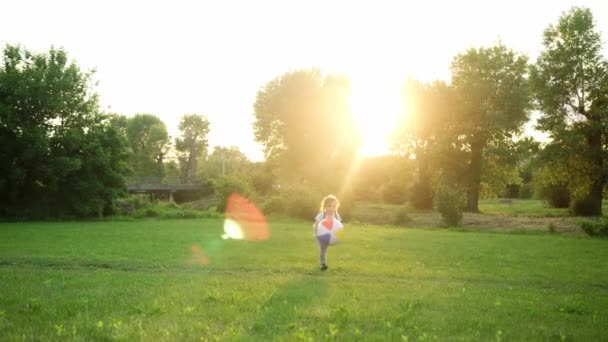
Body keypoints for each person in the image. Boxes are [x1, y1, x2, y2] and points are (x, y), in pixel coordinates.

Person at [312, 194, 341, 271]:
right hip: (322, 236)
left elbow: (339, 226)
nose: (331, 208)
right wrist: (315, 234)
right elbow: (316, 224)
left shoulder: (336, 215)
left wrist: (338, 236)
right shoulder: (322, 215)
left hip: (332, 236)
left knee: (324, 249)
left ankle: (323, 263)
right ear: (325, 206)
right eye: (329, 206)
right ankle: (323, 264)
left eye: (334, 206)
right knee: (323, 250)